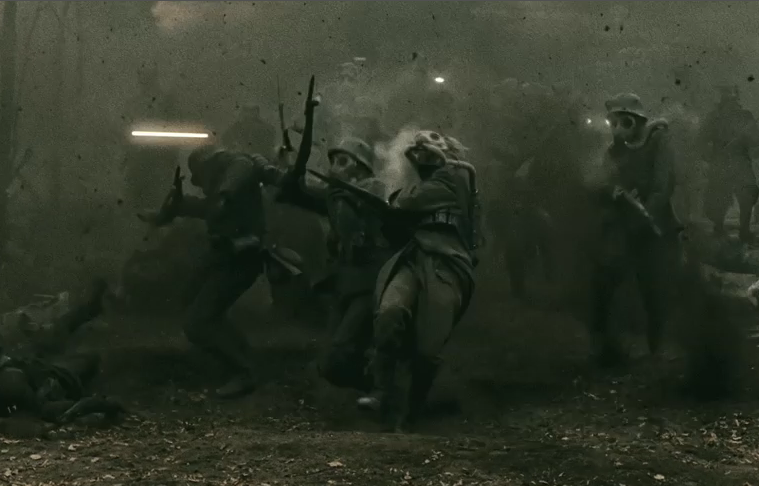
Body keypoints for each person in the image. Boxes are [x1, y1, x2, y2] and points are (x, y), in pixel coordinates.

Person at [138, 145, 301, 398]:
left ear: (209, 167)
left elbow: (237, 175)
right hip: (223, 257)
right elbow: (209, 208)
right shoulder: (227, 185)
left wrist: (222, 195)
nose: (201, 185)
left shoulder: (238, 169)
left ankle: (243, 372)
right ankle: (242, 359)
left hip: (241, 259)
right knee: (192, 304)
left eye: (200, 177)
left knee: (198, 322)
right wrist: (174, 208)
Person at [356, 130, 481, 432]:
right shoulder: (429, 181)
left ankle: (412, 410)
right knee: (390, 312)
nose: (420, 157)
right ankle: (381, 391)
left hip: (447, 264)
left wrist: (395, 194)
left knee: (428, 347)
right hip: (413, 258)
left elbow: (406, 203)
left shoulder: (455, 176)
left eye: (427, 151)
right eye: (418, 152)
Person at [280, 138, 393, 392]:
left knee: (341, 351)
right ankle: (375, 386)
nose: (334, 168)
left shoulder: (374, 189)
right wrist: (292, 168)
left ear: (360, 168)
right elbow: (298, 194)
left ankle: (385, 389)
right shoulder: (336, 196)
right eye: (333, 162)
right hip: (345, 282)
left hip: (369, 282)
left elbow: (371, 203)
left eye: (343, 162)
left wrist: (338, 192)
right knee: (331, 359)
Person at [586, 93, 682, 366]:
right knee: (604, 280)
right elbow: (600, 180)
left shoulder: (658, 142)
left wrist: (645, 214)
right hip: (622, 227)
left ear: (637, 121)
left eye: (624, 121)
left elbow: (663, 187)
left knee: (655, 288)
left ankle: (657, 347)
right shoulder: (615, 150)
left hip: (654, 227)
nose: (618, 128)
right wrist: (611, 191)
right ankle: (602, 344)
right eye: (614, 122)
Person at [0, 280, 123, 423]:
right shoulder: (11, 384)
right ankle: (91, 308)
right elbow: (45, 410)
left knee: (68, 349)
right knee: (85, 360)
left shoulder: (11, 380)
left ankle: (91, 308)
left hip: (40, 368)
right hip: (52, 376)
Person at [700, 86, 759, 243]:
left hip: (739, 162)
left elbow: (755, 141)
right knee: (719, 197)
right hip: (722, 162)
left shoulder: (745, 116)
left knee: (747, 195)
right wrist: (708, 157)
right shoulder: (714, 117)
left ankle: (744, 231)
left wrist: (749, 138)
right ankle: (719, 229)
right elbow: (701, 140)